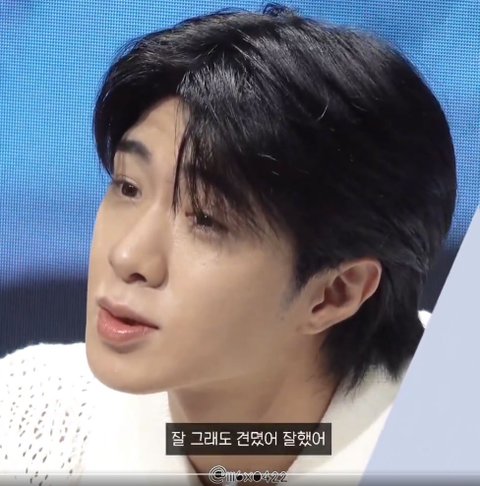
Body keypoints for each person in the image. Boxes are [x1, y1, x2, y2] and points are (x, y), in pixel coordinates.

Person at [0, 4, 456, 485]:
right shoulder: (27, 414)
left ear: (334, 293)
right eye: (128, 187)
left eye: (208, 219)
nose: (128, 256)